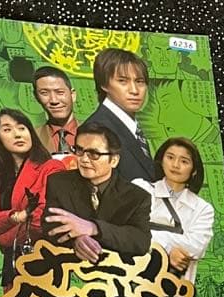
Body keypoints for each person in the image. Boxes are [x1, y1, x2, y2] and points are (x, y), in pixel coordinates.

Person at [0, 108, 66, 286]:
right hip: (11, 268)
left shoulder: (51, 168)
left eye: (22, 128)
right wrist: (15, 217)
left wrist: (2, 235)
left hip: (43, 264)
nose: (18, 134)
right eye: (7, 129)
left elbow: (42, 221)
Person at [44, 123, 151, 262]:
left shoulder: (137, 197)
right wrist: (76, 239)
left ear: (114, 160)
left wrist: (94, 228)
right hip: (68, 267)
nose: (84, 159)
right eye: (79, 150)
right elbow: (50, 226)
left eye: (94, 154)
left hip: (115, 269)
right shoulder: (58, 183)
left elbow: (140, 240)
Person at [133, 137, 214, 281]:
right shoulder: (141, 188)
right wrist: (169, 249)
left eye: (184, 161)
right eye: (170, 157)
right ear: (161, 161)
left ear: (194, 170)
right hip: (131, 278)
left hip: (175, 286)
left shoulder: (202, 208)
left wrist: (150, 237)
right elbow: (126, 231)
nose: (175, 165)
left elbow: (196, 247)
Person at [82, 47, 155, 183]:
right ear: (104, 84)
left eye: (139, 81)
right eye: (122, 81)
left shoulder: (132, 126)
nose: (134, 90)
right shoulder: (96, 129)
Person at [31, 66, 78, 156]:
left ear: (73, 95)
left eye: (60, 92)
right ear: (36, 97)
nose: (54, 100)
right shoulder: (32, 138)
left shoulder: (97, 133)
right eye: (44, 93)